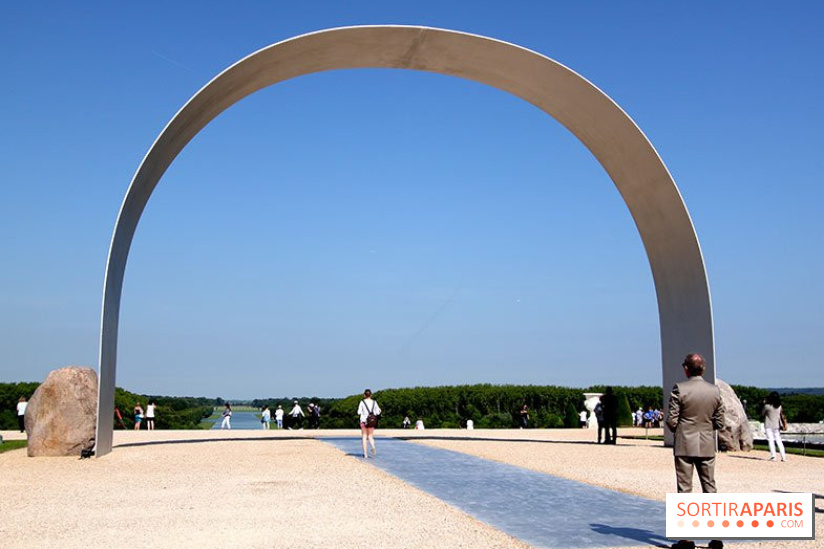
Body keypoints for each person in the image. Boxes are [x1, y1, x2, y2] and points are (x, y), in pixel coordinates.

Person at [666, 353, 725, 549]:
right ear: (703, 369)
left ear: (686, 369)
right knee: (710, 489)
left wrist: (682, 431)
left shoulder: (680, 389)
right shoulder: (714, 391)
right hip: (706, 443)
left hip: (685, 443)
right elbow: (720, 421)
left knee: (685, 490)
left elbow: (672, 419)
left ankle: (687, 538)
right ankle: (716, 536)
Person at [761, 392, 786, 462]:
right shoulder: (779, 406)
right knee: (779, 440)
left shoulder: (767, 406)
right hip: (776, 425)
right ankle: (783, 456)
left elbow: (762, 413)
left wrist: (763, 404)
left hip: (768, 424)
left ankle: (773, 456)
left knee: (771, 440)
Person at [357, 389, 381, 458]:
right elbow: (378, 412)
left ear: (364, 395)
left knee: (364, 437)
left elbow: (358, 412)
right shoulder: (374, 402)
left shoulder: (362, 402)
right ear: (371, 395)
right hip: (372, 421)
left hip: (364, 421)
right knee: (370, 436)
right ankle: (373, 446)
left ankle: (365, 454)